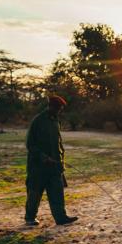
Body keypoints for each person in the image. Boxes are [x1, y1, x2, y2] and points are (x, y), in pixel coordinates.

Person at [24, 95, 78, 226]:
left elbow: (58, 143)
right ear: (51, 106)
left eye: (60, 109)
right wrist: (44, 157)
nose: (59, 111)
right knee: (35, 193)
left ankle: (61, 218)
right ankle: (30, 218)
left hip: (55, 166)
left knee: (57, 192)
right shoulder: (38, 121)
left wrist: (60, 161)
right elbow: (30, 144)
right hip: (38, 167)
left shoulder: (55, 121)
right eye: (57, 108)